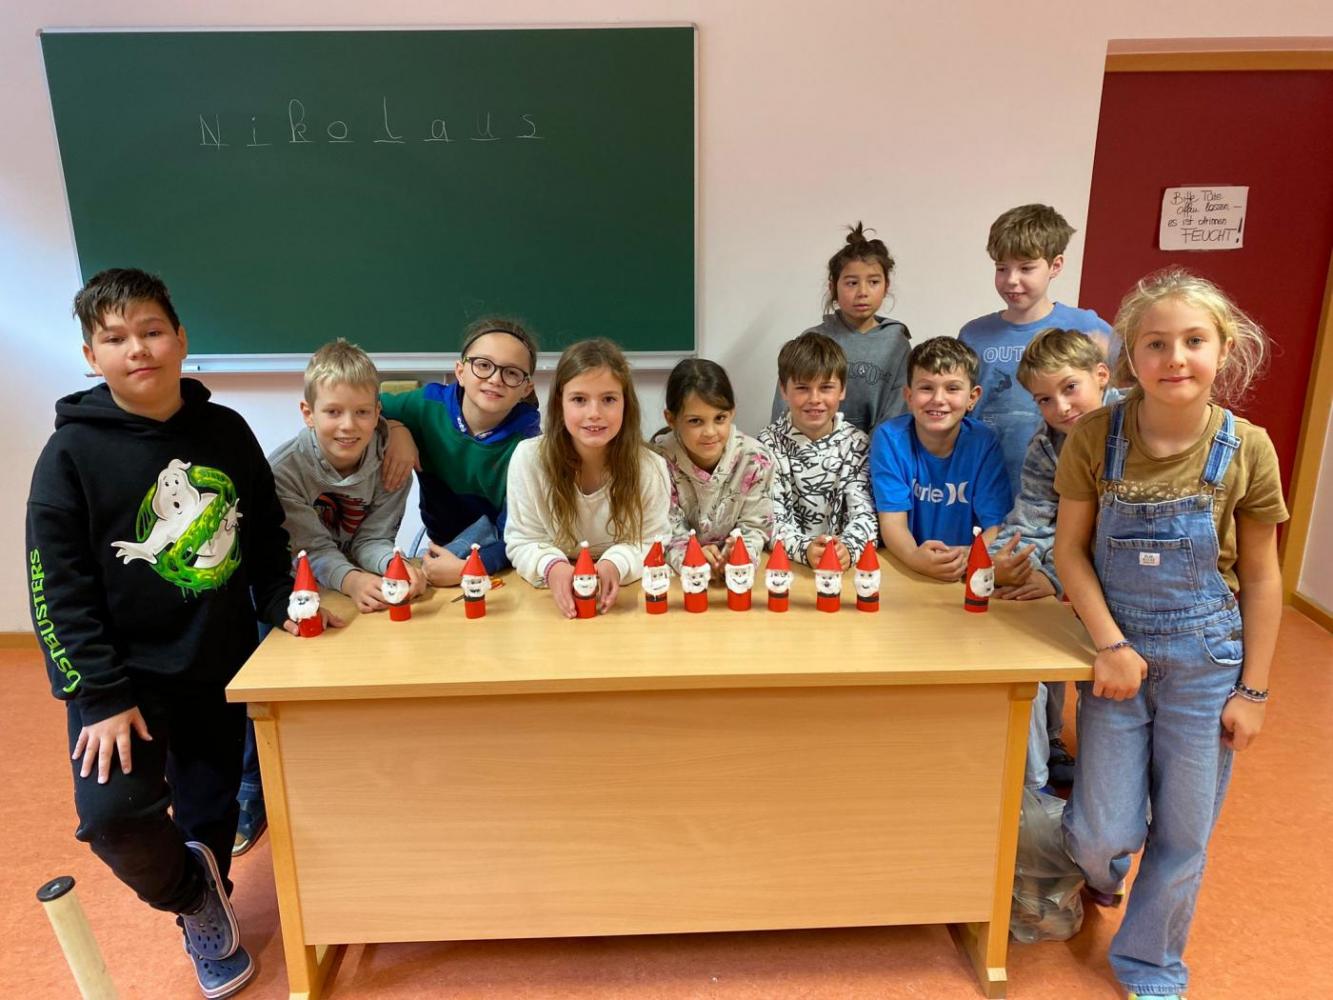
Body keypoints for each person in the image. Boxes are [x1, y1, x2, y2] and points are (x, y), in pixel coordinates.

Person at [25, 268, 338, 999]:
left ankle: (209, 899)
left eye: (151, 331)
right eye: (115, 338)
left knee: (208, 811)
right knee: (114, 820)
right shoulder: (69, 456)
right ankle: (195, 899)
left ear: (180, 339)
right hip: (122, 680)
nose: (137, 348)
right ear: (91, 356)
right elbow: (54, 589)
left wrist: (282, 606)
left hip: (216, 662)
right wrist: (100, 695)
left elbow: (263, 535)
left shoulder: (225, 431)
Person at [1054, 269, 1286, 1000]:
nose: (1174, 358)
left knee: (1184, 835)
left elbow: (1262, 577)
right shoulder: (1095, 436)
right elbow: (1069, 551)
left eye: (1193, 341)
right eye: (1155, 343)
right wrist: (1110, 644)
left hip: (1206, 660)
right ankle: (1102, 873)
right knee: (1101, 832)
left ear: (1225, 350)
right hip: (1117, 657)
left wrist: (1253, 691)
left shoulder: (1247, 448)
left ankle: (1150, 964)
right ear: (1130, 355)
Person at [233, 339, 425, 855]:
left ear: (378, 412)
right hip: (290, 586)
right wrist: (354, 581)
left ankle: (353, 780)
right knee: (268, 682)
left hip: (348, 581)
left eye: (362, 412)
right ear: (308, 412)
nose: (348, 425)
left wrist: (392, 566)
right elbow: (309, 549)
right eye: (333, 412)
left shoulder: (391, 459)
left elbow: (374, 536)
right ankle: (250, 788)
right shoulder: (283, 470)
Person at [988, 328, 1123, 789]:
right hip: (1078, 576)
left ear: (1100, 375)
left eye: (1070, 388)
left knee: (1109, 691)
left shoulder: (1137, 425)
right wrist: (1002, 565)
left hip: (1133, 580)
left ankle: (1108, 777)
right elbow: (1031, 520)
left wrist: (1054, 576)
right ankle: (1041, 767)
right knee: (1033, 630)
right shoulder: (1047, 446)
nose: (1061, 407)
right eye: (1044, 400)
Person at [504, 338, 671, 618]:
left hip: (626, 600)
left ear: (626, 404)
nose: (594, 414)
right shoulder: (529, 459)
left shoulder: (650, 468)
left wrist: (615, 564)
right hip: (548, 602)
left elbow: (654, 541)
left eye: (608, 399)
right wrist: (552, 567)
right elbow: (522, 540)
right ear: (560, 403)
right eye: (579, 399)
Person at [958, 203, 1114, 496]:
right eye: (1001, 268)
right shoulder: (973, 335)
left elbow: (1124, 395)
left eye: (1026, 268)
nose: (1011, 280)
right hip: (985, 485)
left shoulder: (1087, 327)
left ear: (1055, 265)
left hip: (1064, 488)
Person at [381, 317, 541, 586]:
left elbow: (516, 536)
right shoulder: (427, 405)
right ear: (460, 371)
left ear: (526, 388)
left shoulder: (527, 446)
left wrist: (471, 567)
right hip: (439, 542)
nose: (495, 379)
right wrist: (395, 428)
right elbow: (362, 406)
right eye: (483, 365)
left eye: (512, 372)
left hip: (497, 558)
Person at [869, 337, 1012, 582]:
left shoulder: (984, 442)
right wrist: (914, 557)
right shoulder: (889, 439)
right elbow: (892, 522)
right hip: (905, 567)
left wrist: (971, 556)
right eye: (926, 388)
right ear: (909, 396)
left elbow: (997, 526)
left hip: (965, 570)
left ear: (973, 397)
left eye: (952, 388)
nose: (938, 398)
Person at [770, 222, 911, 433]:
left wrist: (875, 447)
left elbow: (898, 411)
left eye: (873, 282)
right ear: (833, 287)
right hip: (812, 446)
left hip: (878, 448)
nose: (863, 292)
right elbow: (787, 405)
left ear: (886, 286)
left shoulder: (897, 343)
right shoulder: (813, 339)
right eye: (851, 283)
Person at [758, 332, 877, 571]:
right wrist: (805, 549)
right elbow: (768, 520)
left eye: (826, 387)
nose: (815, 399)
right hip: (787, 568)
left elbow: (865, 515)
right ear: (784, 390)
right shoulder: (766, 446)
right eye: (802, 388)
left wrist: (848, 549)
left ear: (842, 389)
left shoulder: (858, 444)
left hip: (843, 571)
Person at [651, 358, 774, 578]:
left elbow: (755, 528)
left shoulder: (755, 460)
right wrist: (692, 556)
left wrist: (738, 557)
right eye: (695, 421)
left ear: (732, 413)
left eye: (720, 418)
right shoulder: (657, 462)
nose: (710, 432)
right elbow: (664, 531)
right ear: (671, 419)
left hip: (734, 580)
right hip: (682, 580)